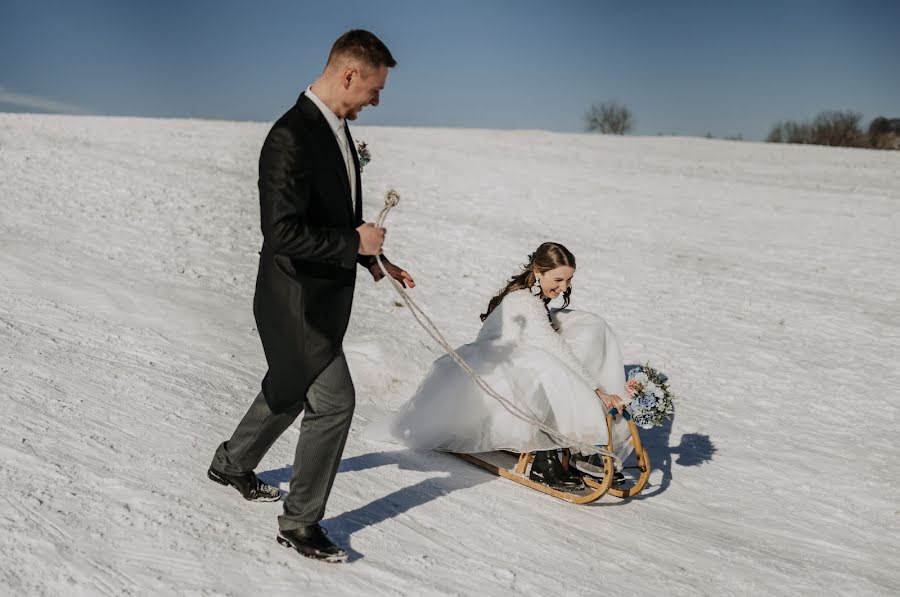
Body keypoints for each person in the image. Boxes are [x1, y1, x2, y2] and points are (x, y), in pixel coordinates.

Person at [207, 30, 414, 563]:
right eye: (374, 88)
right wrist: (353, 242)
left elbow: (330, 216)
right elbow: (281, 232)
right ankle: (300, 523)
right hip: (292, 297)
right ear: (348, 74)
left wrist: (372, 258)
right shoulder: (291, 135)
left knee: (292, 386)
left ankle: (231, 463)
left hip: (320, 293)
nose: (377, 99)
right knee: (334, 400)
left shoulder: (337, 130)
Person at [369, 242, 632, 492]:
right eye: (558, 280)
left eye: (568, 280)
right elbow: (552, 348)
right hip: (490, 372)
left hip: (508, 362)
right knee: (547, 367)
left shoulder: (534, 298)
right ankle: (545, 458)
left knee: (564, 348)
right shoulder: (523, 301)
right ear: (538, 272)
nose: (564, 287)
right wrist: (596, 390)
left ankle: (576, 450)